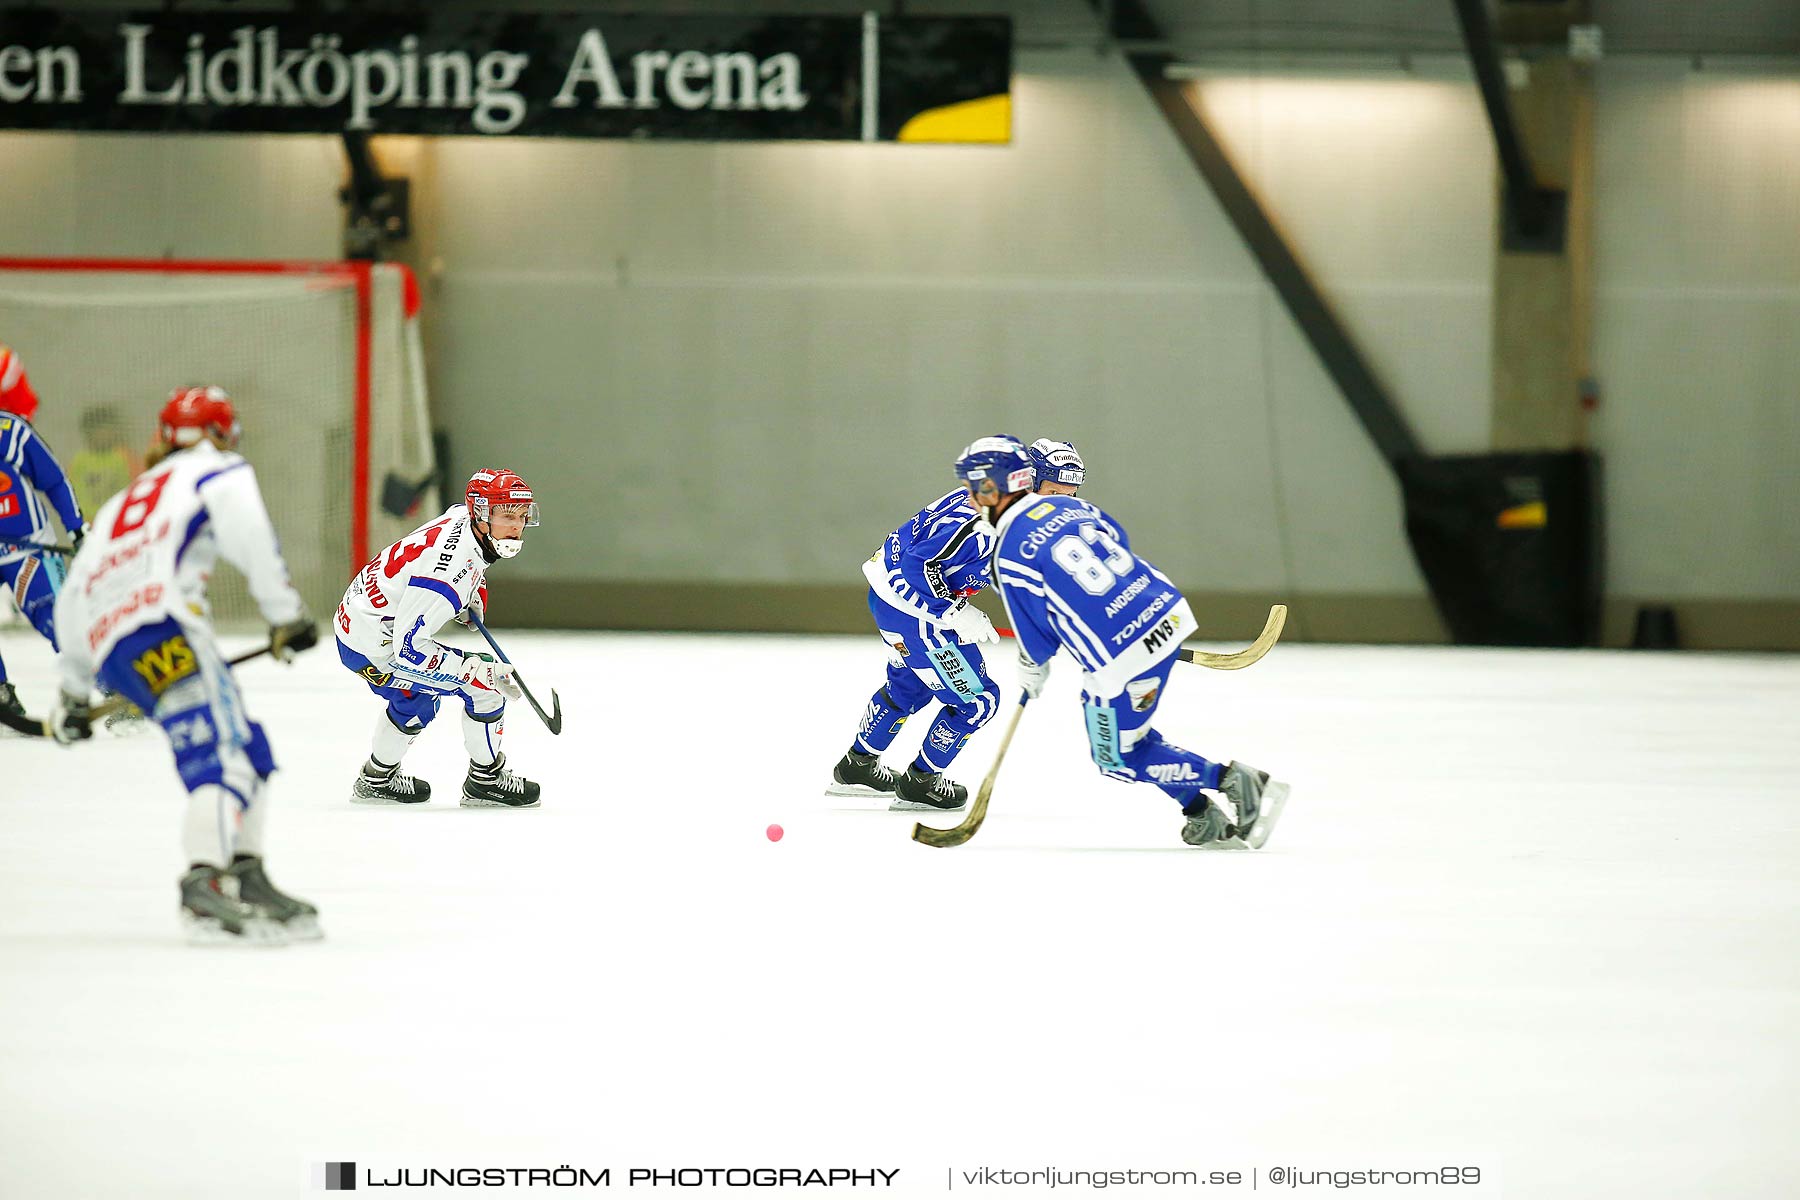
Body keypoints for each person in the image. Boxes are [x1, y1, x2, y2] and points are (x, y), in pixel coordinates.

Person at [48, 385, 322, 941]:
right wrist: (285, 615)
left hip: (114, 646)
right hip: (166, 626)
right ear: (222, 432)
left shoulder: (127, 498)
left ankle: (245, 873)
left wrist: (74, 692)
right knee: (224, 758)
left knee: (246, 743)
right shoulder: (217, 471)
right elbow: (251, 536)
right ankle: (205, 885)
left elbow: (76, 589)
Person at [961, 435, 1289, 847]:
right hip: (1166, 613)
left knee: (1115, 756)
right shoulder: (1073, 506)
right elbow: (1119, 540)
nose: (972, 498)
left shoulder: (1006, 552)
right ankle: (1199, 811)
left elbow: (1037, 639)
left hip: (1121, 656)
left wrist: (1031, 670)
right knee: (1130, 734)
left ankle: (1229, 780)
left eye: (976, 489)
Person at [825, 438, 1020, 811]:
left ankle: (857, 766)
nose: (1066, 499)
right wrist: (951, 613)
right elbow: (913, 569)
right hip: (919, 617)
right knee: (977, 701)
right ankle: (921, 781)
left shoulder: (987, 503)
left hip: (894, 607)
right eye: (1055, 488)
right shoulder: (983, 520)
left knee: (910, 685)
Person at [334, 468, 542, 808]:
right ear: (481, 514)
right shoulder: (446, 575)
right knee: (487, 687)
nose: (517, 527)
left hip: (359, 623)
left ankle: (376, 778)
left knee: (416, 700)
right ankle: (486, 781)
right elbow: (409, 649)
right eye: (507, 516)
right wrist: (477, 670)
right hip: (376, 647)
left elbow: (458, 564)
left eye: (521, 516)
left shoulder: (463, 518)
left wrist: (474, 590)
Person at [0, 343, 86, 727]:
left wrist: (76, 527)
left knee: (54, 614)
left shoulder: (11, 431)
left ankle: (109, 683)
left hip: (27, 547)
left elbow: (53, 480)